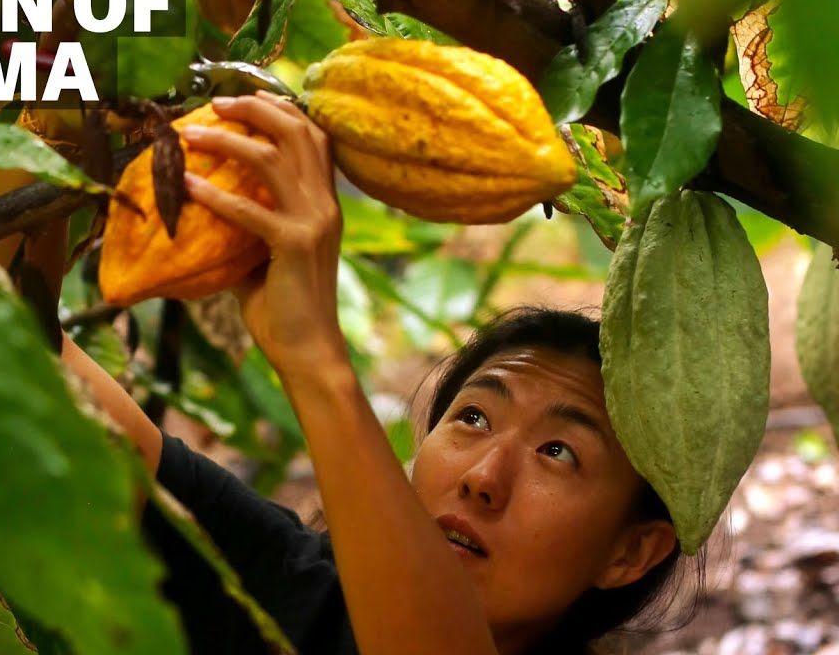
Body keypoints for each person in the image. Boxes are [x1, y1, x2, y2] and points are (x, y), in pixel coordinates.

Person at [58, 92, 700, 655]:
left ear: (630, 553)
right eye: (474, 417)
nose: (483, 478)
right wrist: (54, 103)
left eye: (558, 452)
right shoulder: (286, 582)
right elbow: (23, 356)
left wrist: (313, 356)